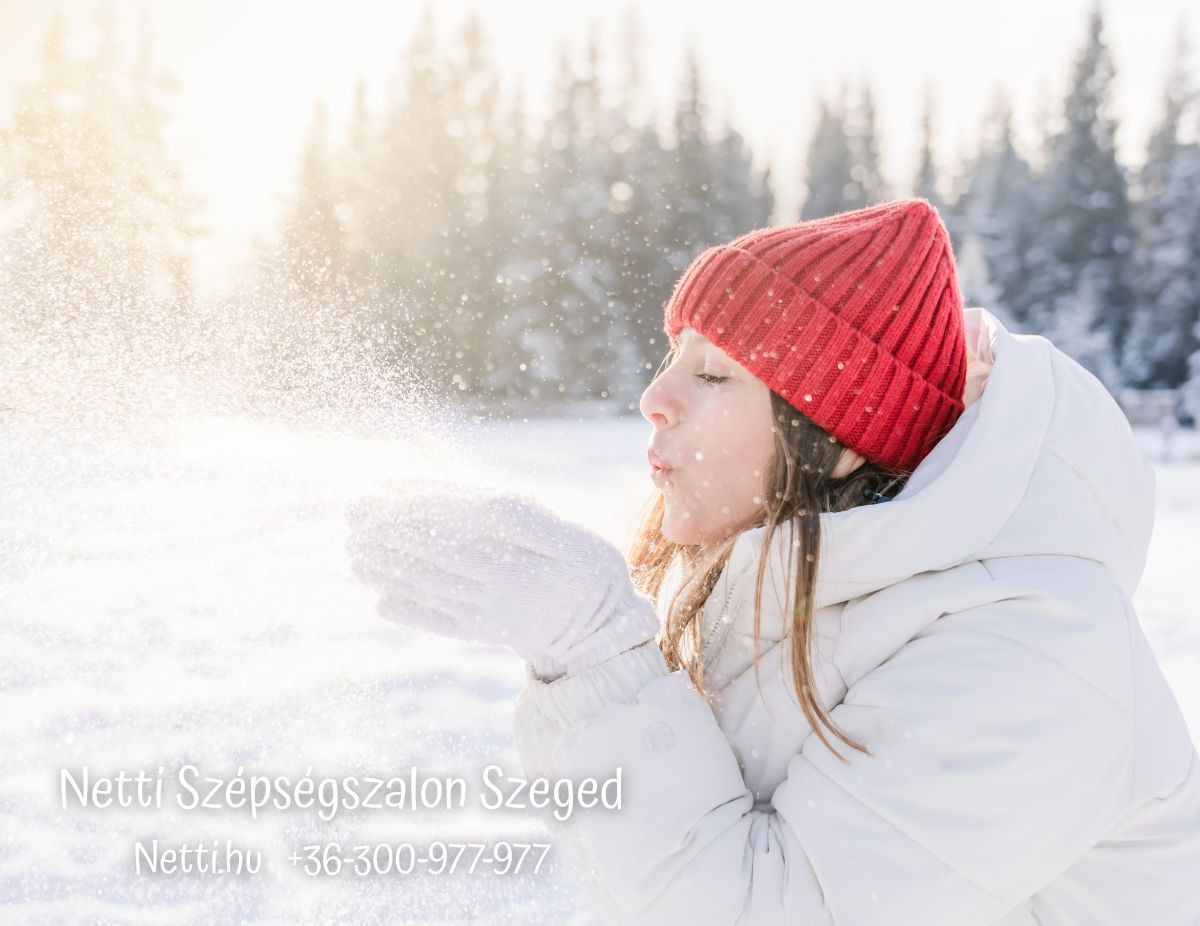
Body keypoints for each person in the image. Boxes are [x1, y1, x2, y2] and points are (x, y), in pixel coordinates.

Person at [345, 198, 1200, 924]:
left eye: (714, 376)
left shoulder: (1035, 656)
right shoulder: (799, 580)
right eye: (674, 358)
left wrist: (602, 659)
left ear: (836, 443)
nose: (656, 399)